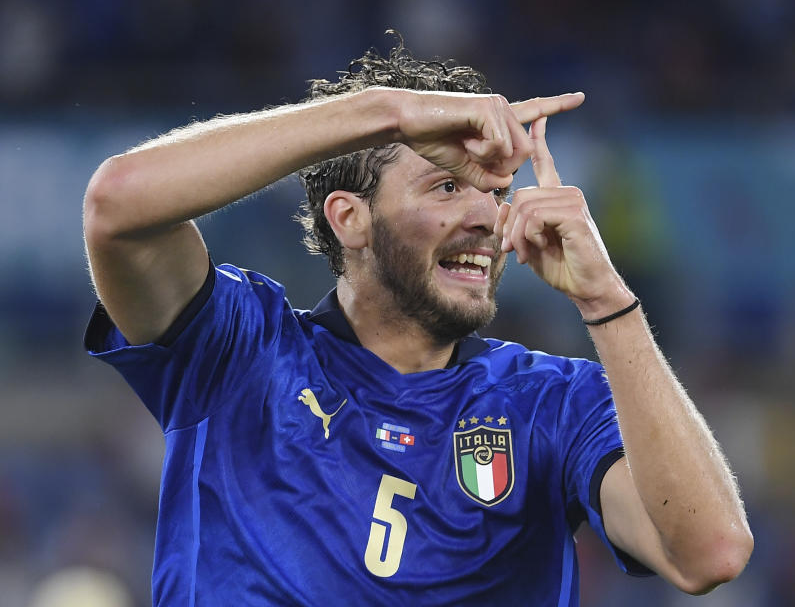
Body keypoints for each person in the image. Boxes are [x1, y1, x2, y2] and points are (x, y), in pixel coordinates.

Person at [83, 36, 752, 605]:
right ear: (350, 219)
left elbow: (709, 553)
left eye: (495, 191)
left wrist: (607, 302)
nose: (488, 217)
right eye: (446, 186)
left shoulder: (552, 404)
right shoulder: (239, 351)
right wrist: (387, 114)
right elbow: (117, 207)